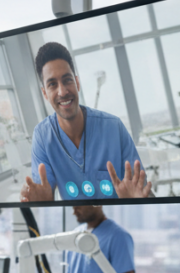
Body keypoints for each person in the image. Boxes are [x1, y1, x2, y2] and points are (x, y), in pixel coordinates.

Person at [20, 41, 151, 203]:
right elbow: (43, 193)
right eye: (52, 84)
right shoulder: (42, 136)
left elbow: (145, 192)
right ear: (45, 94)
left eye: (67, 80)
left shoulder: (114, 128)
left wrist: (137, 201)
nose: (62, 91)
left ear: (77, 83)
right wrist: (43, 204)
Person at [50, 204, 134, 273]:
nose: (74, 212)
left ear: (97, 203)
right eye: (73, 207)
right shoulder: (76, 235)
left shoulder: (119, 236)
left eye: (78, 206)